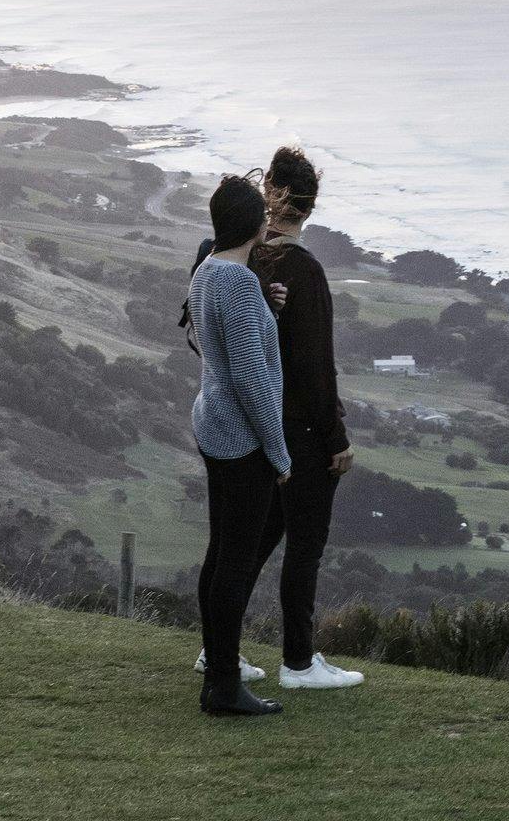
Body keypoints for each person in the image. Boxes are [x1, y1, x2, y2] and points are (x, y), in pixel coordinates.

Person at [245, 145, 363, 690]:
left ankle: (218, 647)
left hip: (252, 422)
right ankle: (298, 662)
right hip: (301, 431)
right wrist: (336, 437)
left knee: (248, 542)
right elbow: (317, 366)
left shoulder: (240, 256)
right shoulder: (304, 269)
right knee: (305, 546)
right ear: (302, 202)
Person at [186, 174, 289, 717]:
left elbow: (218, 345)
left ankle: (218, 677)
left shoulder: (208, 270)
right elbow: (252, 377)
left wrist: (265, 312)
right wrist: (279, 452)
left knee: (219, 554)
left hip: (212, 424)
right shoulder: (239, 283)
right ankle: (224, 685)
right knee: (235, 561)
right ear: (255, 223)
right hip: (241, 437)